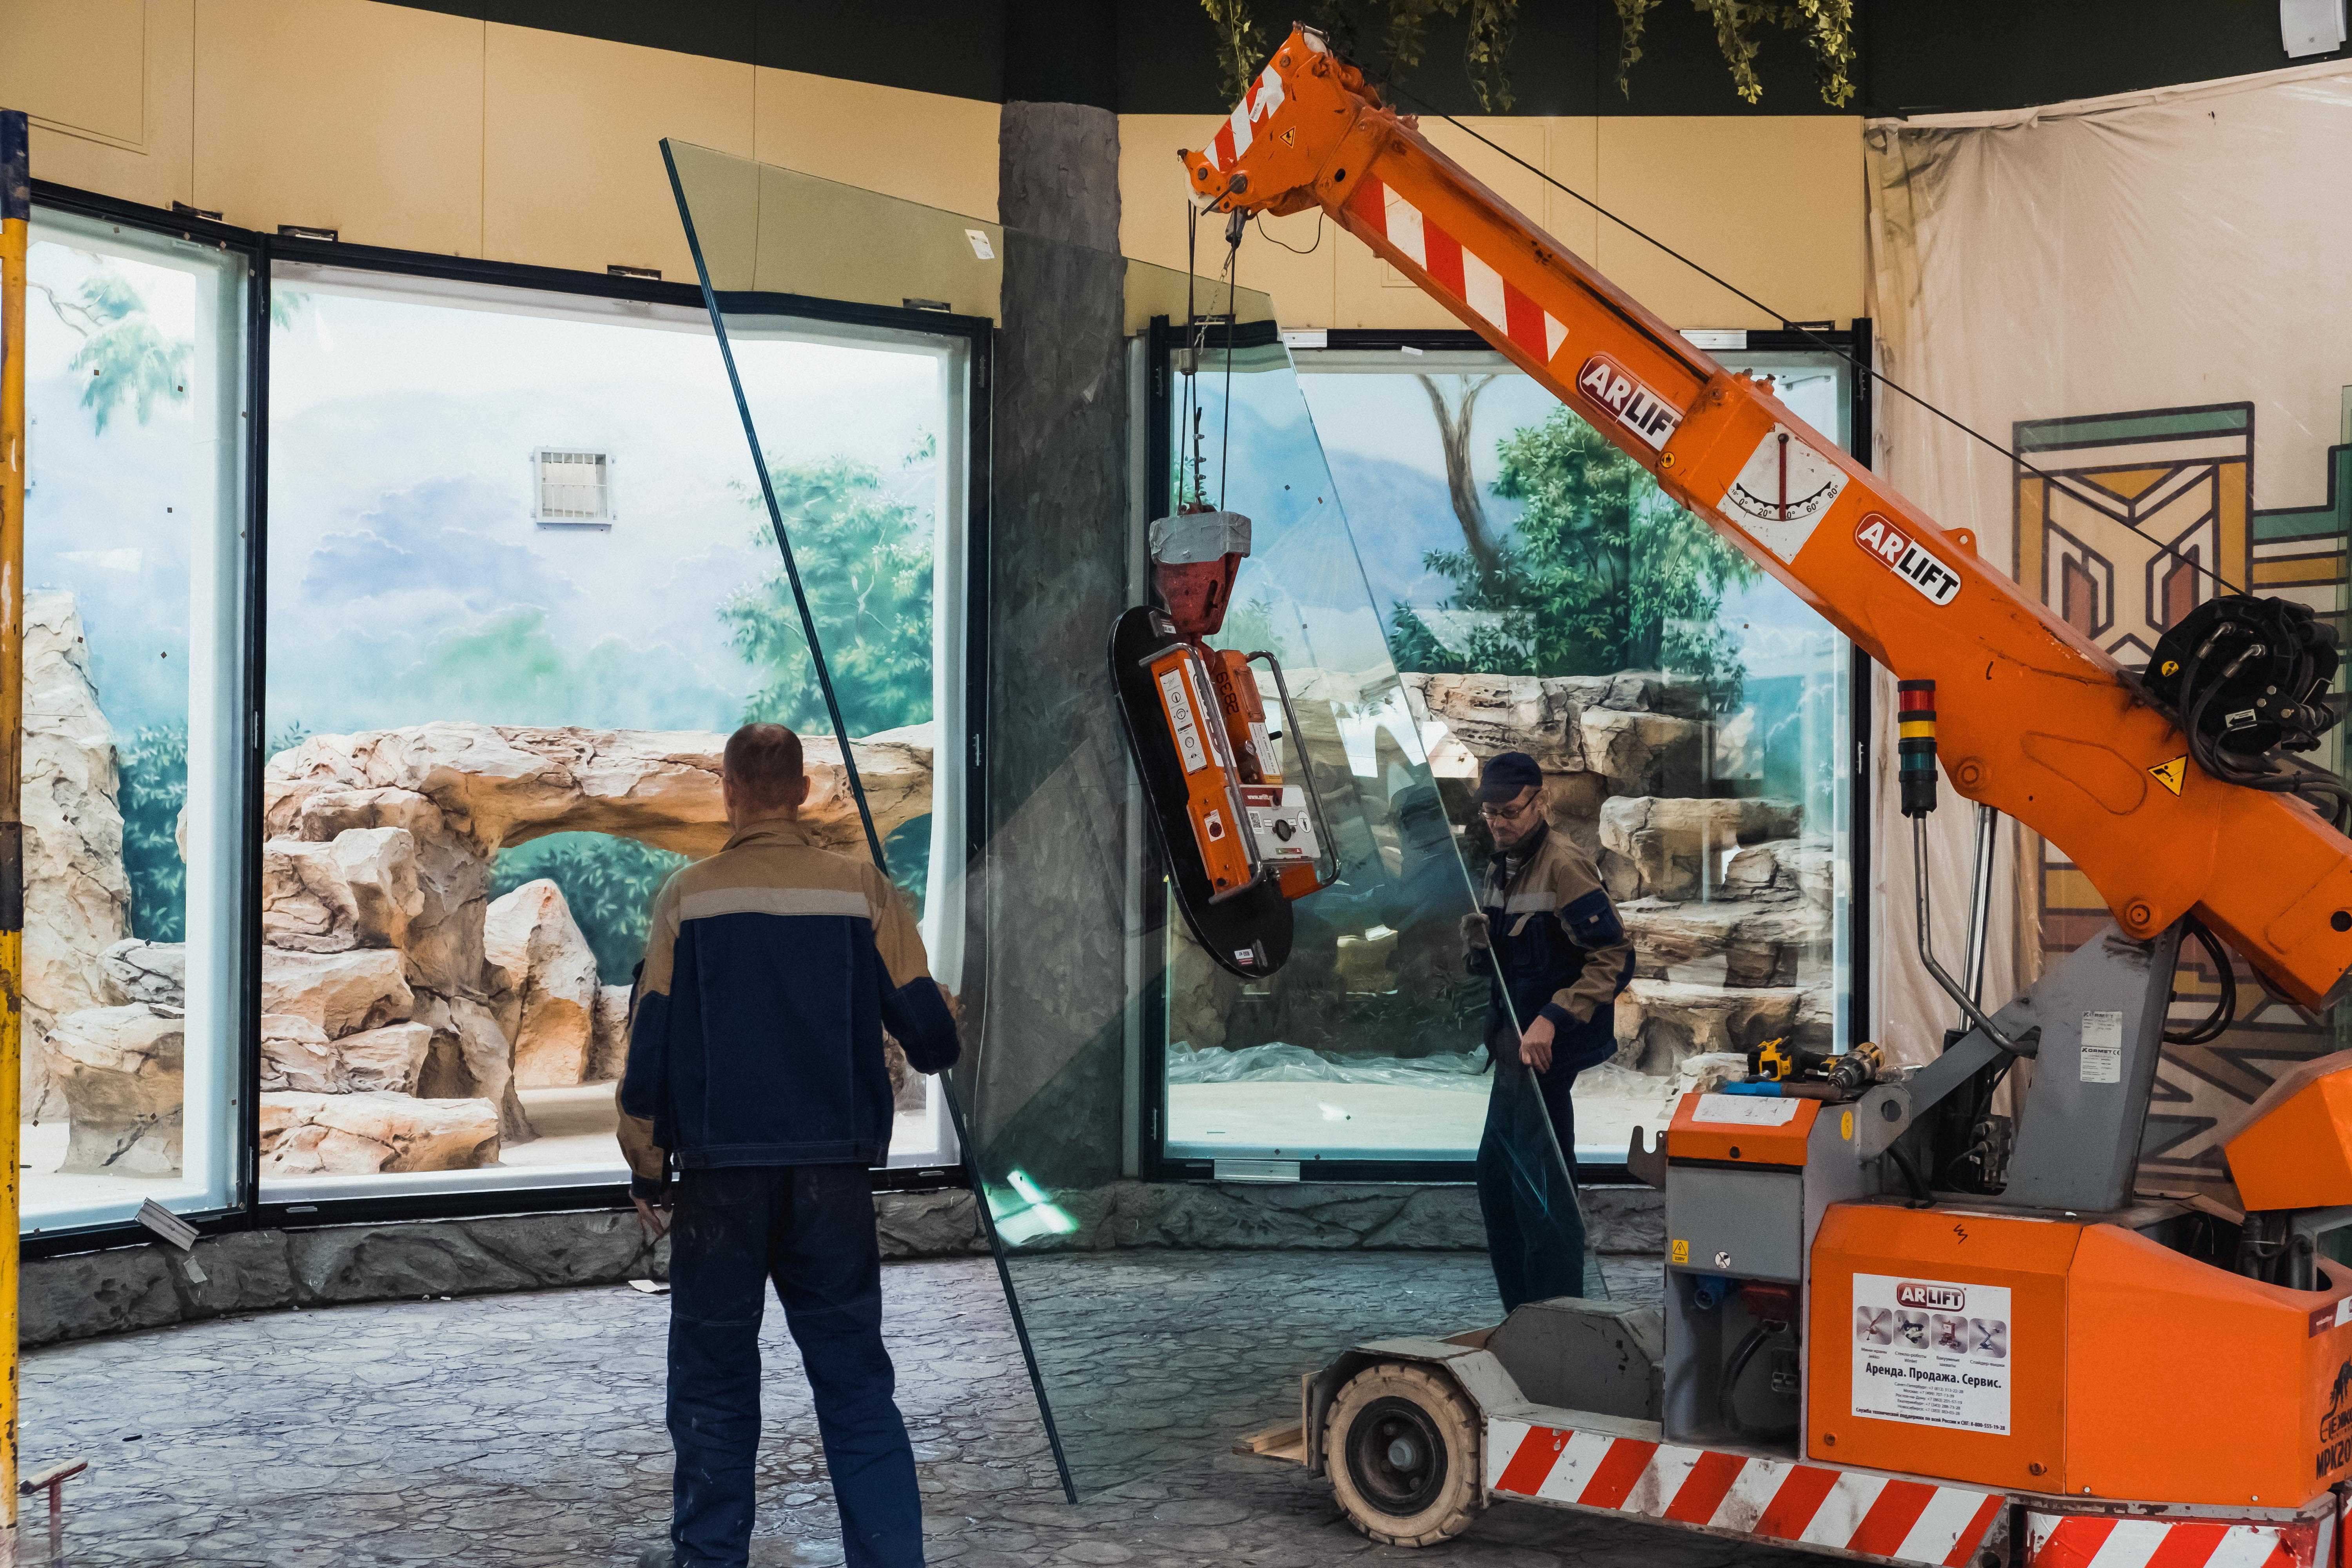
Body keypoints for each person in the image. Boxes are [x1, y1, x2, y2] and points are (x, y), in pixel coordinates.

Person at [618, 722, 961, 1568]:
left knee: (713, 1388)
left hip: (718, 1187)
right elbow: (931, 1038)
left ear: (728, 794)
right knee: (853, 1386)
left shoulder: (685, 898)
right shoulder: (863, 892)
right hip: (831, 1182)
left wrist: (648, 1168)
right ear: (804, 792)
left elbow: (649, 1053)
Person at [1462, 750, 1634, 1310]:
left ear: (1542, 802)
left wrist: (1554, 1018)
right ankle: (1522, 1317)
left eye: (1510, 811)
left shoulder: (1565, 864)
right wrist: (1479, 944)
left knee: (1544, 1193)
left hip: (1545, 1057)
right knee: (1499, 1185)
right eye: (1490, 813)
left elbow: (1613, 958)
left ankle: (1561, 1322)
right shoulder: (1500, 864)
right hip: (1512, 1055)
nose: (1500, 823)